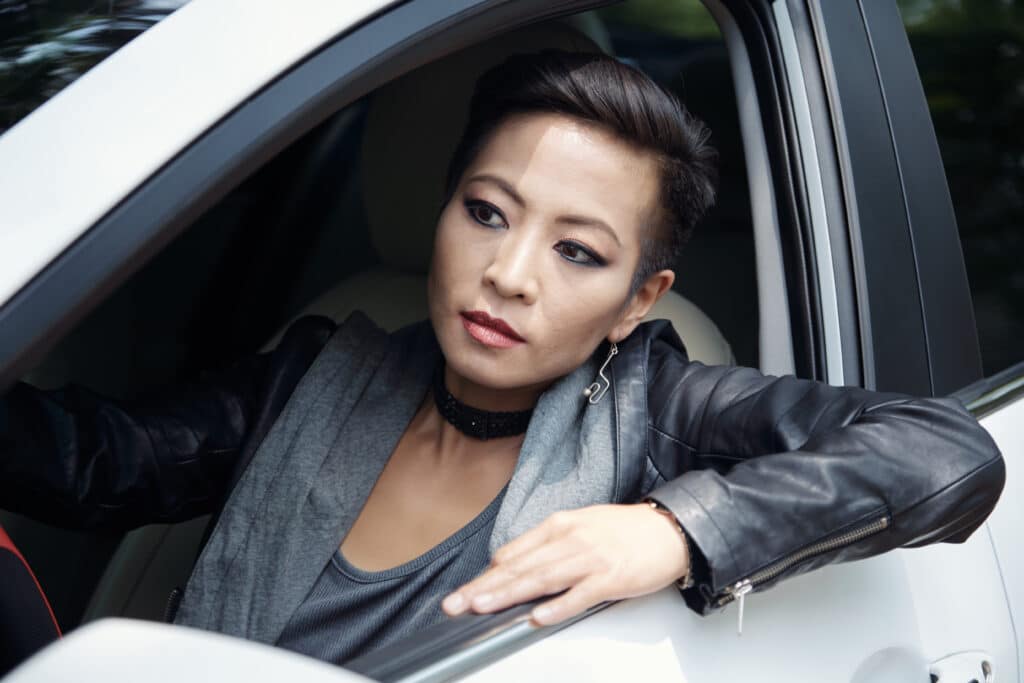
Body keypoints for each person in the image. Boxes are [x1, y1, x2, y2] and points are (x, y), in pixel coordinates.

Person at [0, 50, 1005, 666]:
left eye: (578, 252)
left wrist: (676, 528)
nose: (509, 273)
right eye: (486, 212)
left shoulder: (665, 414)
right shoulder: (318, 372)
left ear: (636, 300)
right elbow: (100, 459)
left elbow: (944, 451)